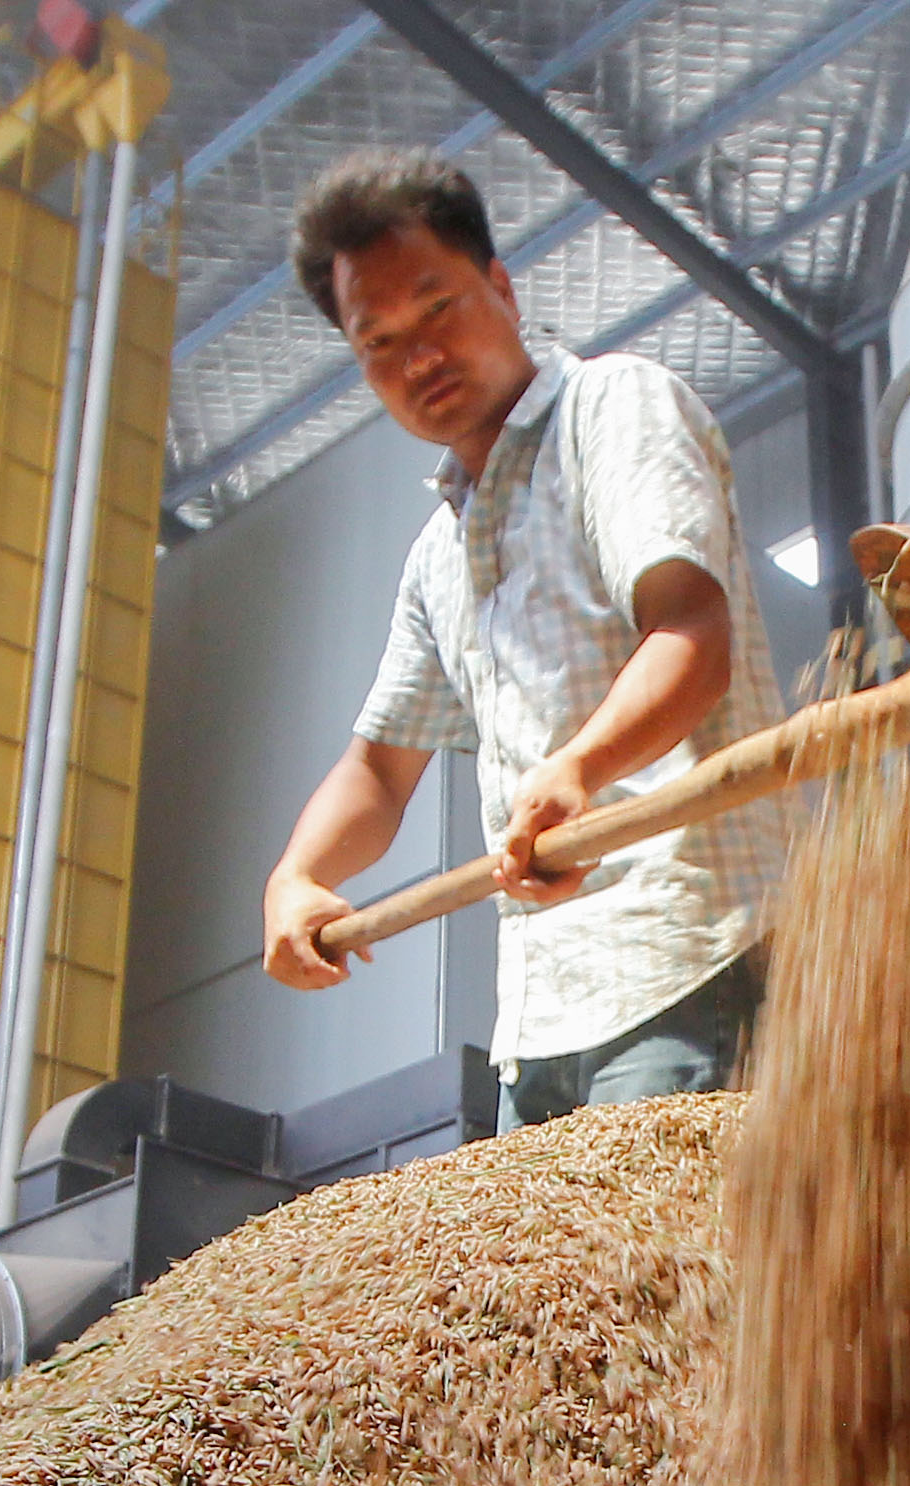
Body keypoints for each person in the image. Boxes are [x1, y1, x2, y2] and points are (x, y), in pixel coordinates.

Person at [259, 152, 785, 1129]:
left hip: (683, 956)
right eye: (380, 343)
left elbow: (690, 637)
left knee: (662, 1280)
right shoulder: (439, 553)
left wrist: (580, 766)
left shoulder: (612, 410)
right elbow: (378, 772)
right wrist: (299, 879)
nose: (420, 359)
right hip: (537, 1022)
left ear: (500, 288)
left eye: (438, 310)